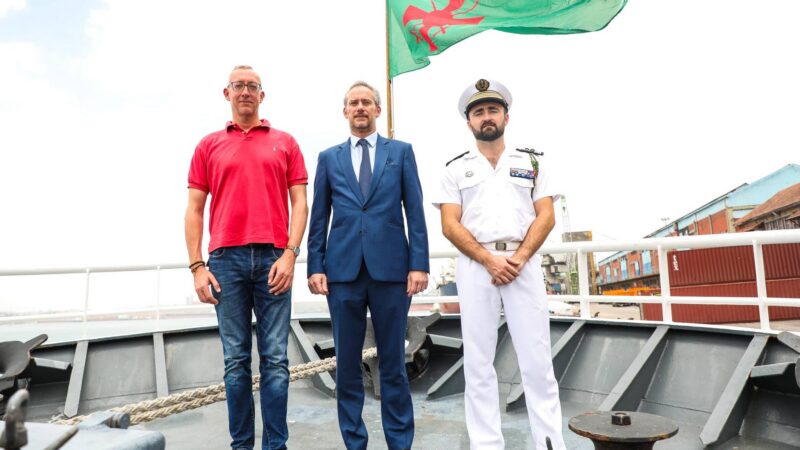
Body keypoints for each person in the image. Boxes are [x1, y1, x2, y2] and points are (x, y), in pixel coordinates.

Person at [432, 79, 566, 450]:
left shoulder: (532, 161)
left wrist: (519, 258)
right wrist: (490, 259)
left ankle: (550, 443)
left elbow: (546, 216)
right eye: (478, 112)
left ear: (506, 115)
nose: (486, 117)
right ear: (469, 123)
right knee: (478, 362)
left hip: (524, 263)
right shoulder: (455, 169)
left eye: (492, 110)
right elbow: (449, 224)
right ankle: (487, 445)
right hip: (477, 267)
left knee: (537, 359)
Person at [184, 65, 308, 450]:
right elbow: (194, 209)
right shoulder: (208, 145)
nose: (245, 92)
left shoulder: (285, 142)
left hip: (275, 258)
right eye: (238, 86)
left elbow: (300, 201)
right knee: (235, 362)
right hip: (224, 262)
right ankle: (242, 446)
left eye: (253, 86)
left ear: (262, 95)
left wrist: (290, 253)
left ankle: (275, 446)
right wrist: (196, 267)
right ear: (227, 93)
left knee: (275, 361)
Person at [307, 81, 429, 450]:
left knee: (393, 362)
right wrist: (315, 265)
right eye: (353, 103)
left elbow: (416, 211)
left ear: (378, 110)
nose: (360, 107)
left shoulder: (402, 152)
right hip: (342, 274)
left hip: (391, 272)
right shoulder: (329, 158)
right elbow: (319, 217)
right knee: (346, 366)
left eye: (367, 102)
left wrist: (418, 264)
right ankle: (354, 442)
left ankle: (399, 443)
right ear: (345, 112)